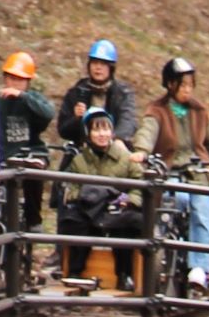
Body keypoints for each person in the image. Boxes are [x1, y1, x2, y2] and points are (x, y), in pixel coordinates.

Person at [134, 56, 209, 293]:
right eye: (182, 85)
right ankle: (167, 252)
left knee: (202, 206)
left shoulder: (200, 111)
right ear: (171, 85)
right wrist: (141, 151)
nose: (187, 90)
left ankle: (199, 267)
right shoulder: (157, 111)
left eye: (190, 85)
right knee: (177, 200)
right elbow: (147, 131)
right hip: (170, 171)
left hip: (198, 173)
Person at [55, 107, 147, 290]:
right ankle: (75, 272)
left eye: (106, 129)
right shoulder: (79, 161)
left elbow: (140, 184)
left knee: (128, 225)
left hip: (116, 208)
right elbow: (69, 187)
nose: (102, 134)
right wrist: (82, 196)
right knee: (73, 220)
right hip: (89, 208)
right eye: (97, 129)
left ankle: (124, 274)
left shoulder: (125, 157)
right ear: (88, 133)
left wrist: (129, 200)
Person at [0, 52, 56, 255]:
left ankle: (33, 220)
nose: (14, 83)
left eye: (20, 79)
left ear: (28, 82)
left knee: (33, 176)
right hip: (3, 155)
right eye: (11, 78)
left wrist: (23, 97)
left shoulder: (33, 100)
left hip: (31, 153)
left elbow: (48, 113)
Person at [56, 39, 138, 148]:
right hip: (82, 150)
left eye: (103, 64)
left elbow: (128, 122)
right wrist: (76, 119)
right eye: (95, 63)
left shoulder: (122, 93)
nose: (98, 67)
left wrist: (109, 139)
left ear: (111, 68)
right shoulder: (76, 92)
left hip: (114, 147)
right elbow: (63, 130)